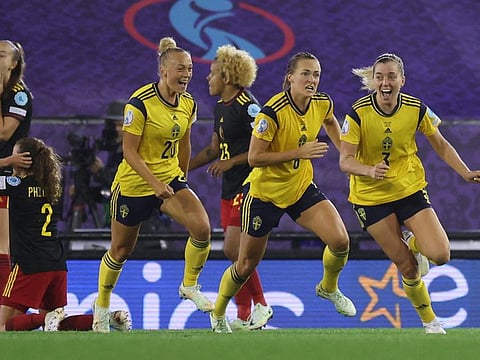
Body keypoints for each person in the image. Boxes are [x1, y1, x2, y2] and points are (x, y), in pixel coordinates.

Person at [209, 51, 357, 333]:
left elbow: (329, 122)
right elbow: (254, 158)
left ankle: (328, 287)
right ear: (290, 77)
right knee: (244, 264)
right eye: (305, 73)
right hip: (265, 194)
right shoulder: (271, 112)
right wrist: (300, 152)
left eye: (316, 74)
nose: (312, 79)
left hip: (300, 188)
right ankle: (218, 314)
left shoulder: (322, 103)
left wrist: (345, 154)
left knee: (340, 241)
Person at [339, 53, 480, 334]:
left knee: (440, 255)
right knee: (408, 267)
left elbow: (440, 145)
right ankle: (431, 322)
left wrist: (465, 172)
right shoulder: (357, 113)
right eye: (380, 77)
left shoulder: (416, 109)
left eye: (391, 76)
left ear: (402, 80)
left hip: (409, 188)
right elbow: (345, 161)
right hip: (370, 197)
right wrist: (369, 170)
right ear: (373, 81)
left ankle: (413, 241)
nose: (385, 82)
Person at [92, 36, 213, 332]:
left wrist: (180, 178)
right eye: (180, 69)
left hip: (169, 179)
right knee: (121, 251)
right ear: (163, 71)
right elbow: (129, 152)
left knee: (202, 228)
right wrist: (154, 183)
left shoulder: (189, 104)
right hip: (135, 183)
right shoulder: (139, 103)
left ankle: (189, 285)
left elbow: (185, 144)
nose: (186, 75)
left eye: (189, 69)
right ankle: (102, 305)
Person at [0, 137, 131, 332]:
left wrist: (5, 162)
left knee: (3, 325)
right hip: (57, 264)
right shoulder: (53, 188)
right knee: (57, 323)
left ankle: (42, 320)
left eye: (15, 154)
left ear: (22, 159)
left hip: (29, 264)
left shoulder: (15, 186)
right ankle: (109, 319)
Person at [189, 45, 272, 330]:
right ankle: (244, 314)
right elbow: (214, 149)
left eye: (212, 73)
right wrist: (181, 167)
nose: (207, 78)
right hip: (229, 188)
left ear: (226, 75)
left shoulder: (248, 107)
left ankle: (260, 304)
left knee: (234, 249)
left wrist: (232, 162)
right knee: (234, 253)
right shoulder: (220, 107)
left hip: (249, 186)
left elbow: (265, 144)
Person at [0, 40, 33, 294]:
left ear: (14, 63)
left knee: (3, 244)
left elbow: (4, 132)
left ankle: (5, 303)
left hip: (7, 176)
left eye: (1, 55)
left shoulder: (18, 95)